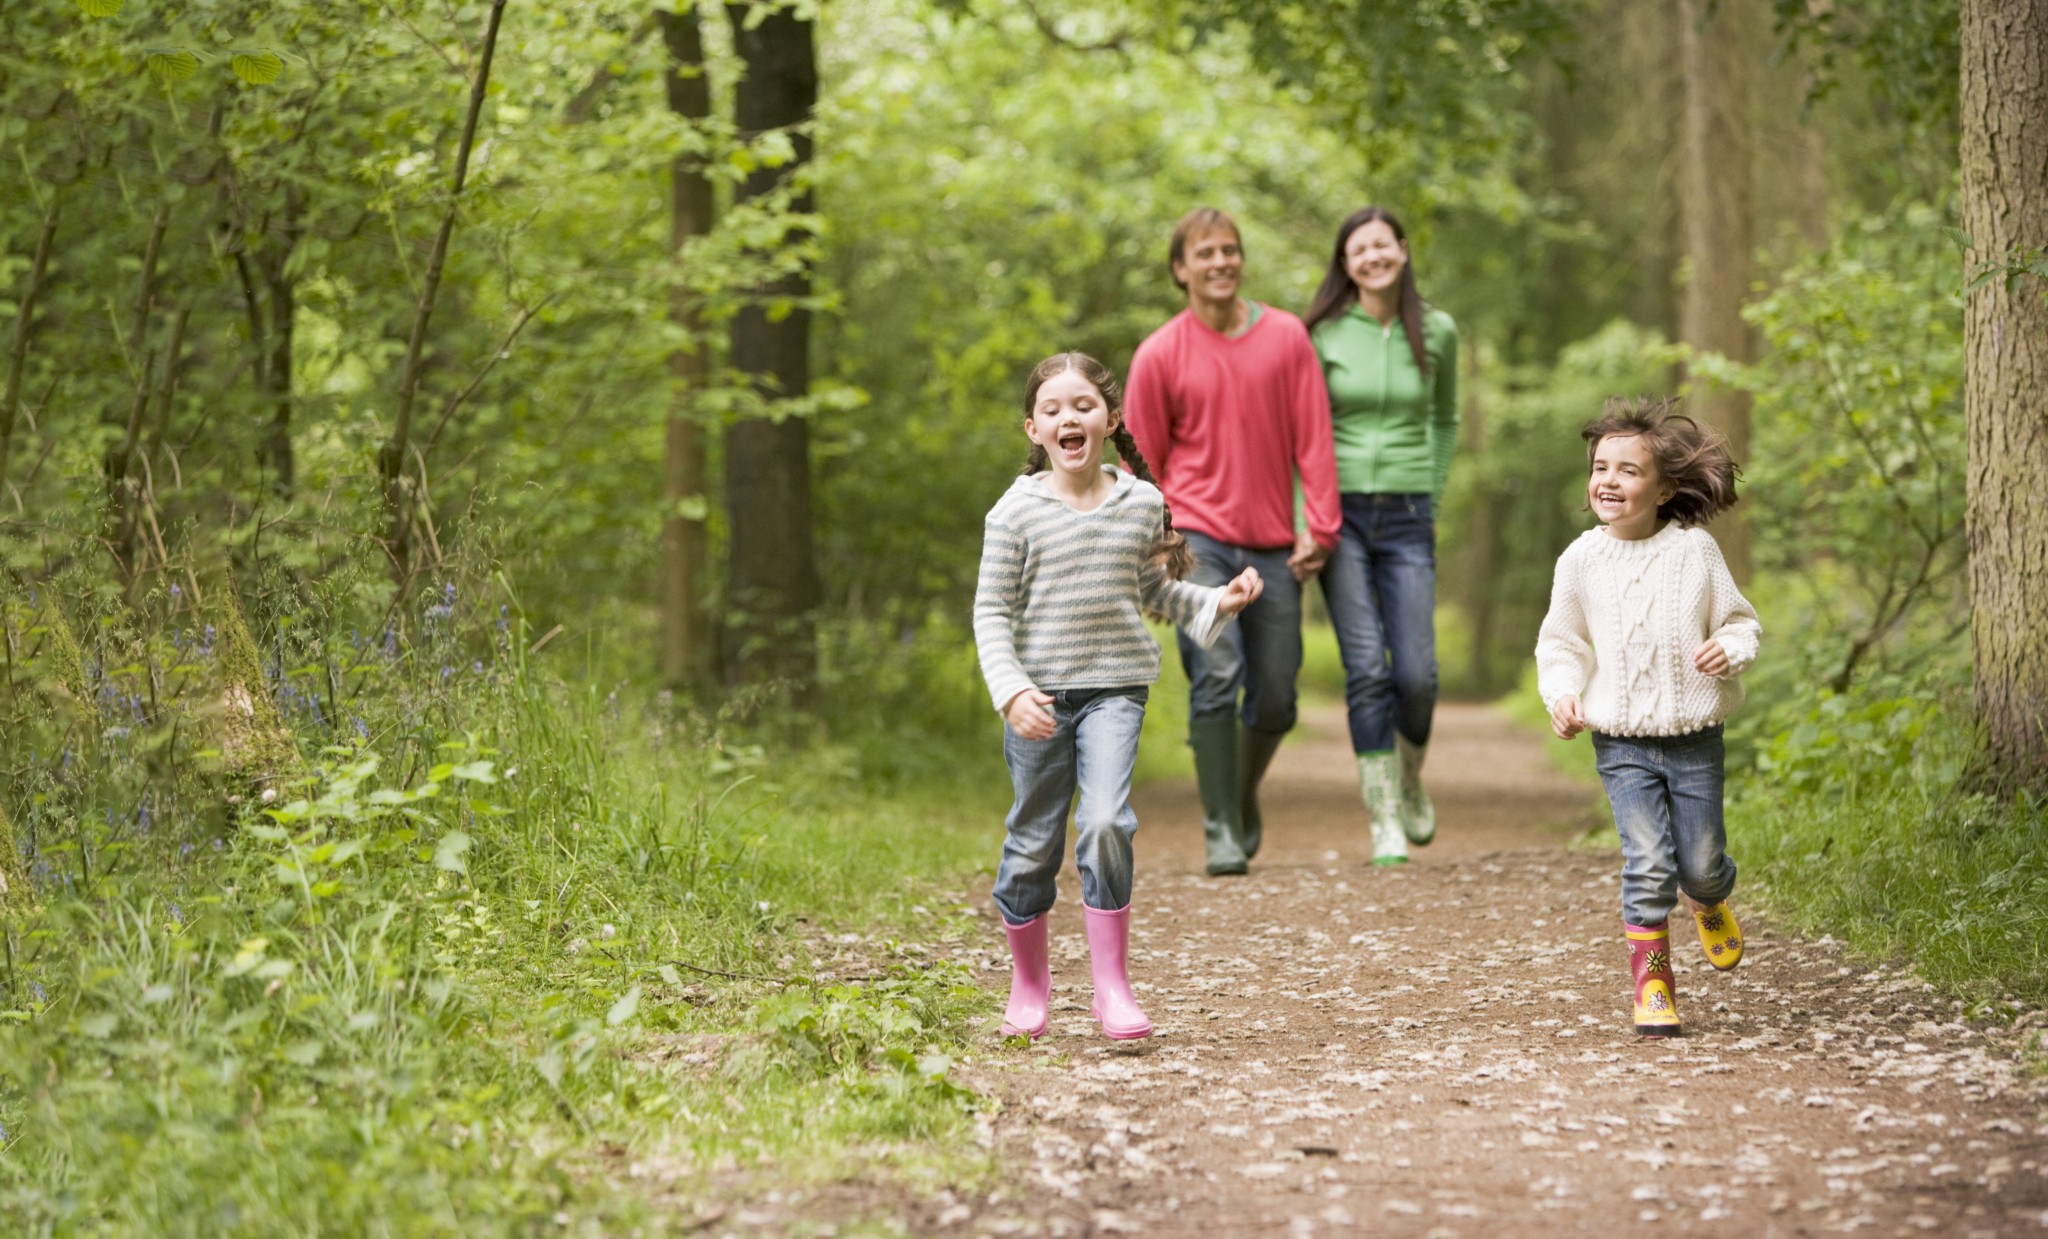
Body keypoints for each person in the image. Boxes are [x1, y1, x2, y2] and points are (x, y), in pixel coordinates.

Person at [975, 352, 1264, 1041]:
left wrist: (1217, 601)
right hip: (1038, 698)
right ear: (1033, 429)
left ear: (1107, 419)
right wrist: (1011, 691)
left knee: (1105, 822)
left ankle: (1111, 986)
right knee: (1032, 844)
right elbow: (990, 611)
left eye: (1082, 405)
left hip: (1115, 689)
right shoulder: (1014, 513)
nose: (1068, 417)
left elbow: (1152, 591)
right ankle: (1030, 983)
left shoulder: (1139, 501)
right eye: (1052, 409)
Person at [1125, 207, 1341, 876]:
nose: (1221, 261)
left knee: (1277, 691)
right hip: (1197, 542)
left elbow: (1314, 435)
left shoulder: (1285, 337)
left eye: (1230, 250)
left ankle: (1237, 794)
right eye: (1205, 252)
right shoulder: (1160, 352)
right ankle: (1220, 825)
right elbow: (1141, 464)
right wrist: (1157, 550)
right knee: (1218, 673)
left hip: (1274, 542)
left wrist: (1321, 526)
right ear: (1180, 270)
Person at [1535, 398, 1759, 1037]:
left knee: (1700, 863)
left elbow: (1740, 621)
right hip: (1621, 741)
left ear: (1664, 489)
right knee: (1648, 861)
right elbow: (1563, 643)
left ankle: (1710, 899)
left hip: (1694, 739)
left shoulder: (1694, 553)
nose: (1608, 479)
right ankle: (1653, 981)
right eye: (1600, 466)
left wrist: (1730, 650)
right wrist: (1563, 694)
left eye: (1628, 470)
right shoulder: (1580, 561)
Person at [1301, 206, 1460, 866]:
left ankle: (1410, 776)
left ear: (1402, 249)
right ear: (1345, 264)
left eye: (1381, 244)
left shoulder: (1440, 330)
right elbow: (1303, 431)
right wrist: (1306, 517)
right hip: (1339, 517)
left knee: (1417, 673)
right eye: (1357, 249)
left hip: (1407, 514)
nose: (1371, 256)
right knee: (1366, 667)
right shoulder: (1325, 335)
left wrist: (1432, 488)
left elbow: (1445, 418)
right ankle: (1384, 818)